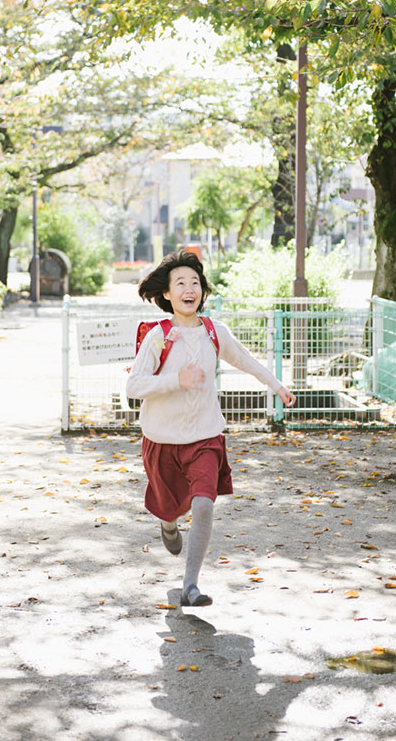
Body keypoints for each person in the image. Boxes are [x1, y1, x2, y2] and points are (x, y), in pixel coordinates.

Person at [126, 250, 295, 608]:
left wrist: (276, 385)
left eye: (195, 282)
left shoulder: (215, 332)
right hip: (162, 441)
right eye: (180, 283)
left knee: (204, 504)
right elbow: (134, 386)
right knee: (170, 508)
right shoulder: (158, 336)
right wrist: (177, 379)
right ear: (167, 293)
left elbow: (245, 359)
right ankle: (168, 523)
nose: (189, 289)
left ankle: (191, 585)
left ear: (202, 291)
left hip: (205, 437)